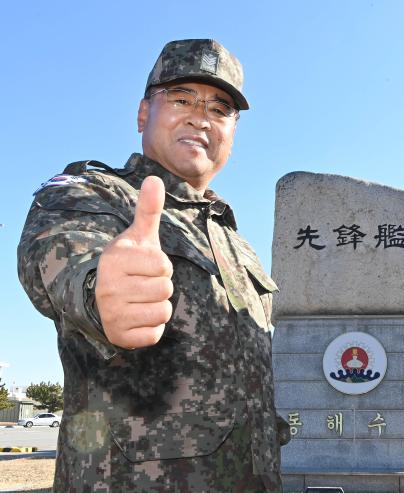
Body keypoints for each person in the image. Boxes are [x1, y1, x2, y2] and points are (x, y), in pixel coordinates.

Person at [17, 39, 288, 492]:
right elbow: (62, 254)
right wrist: (99, 290)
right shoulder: (95, 196)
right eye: (182, 98)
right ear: (144, 113)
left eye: (220, 109)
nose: (201, 116)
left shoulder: (235, 240)